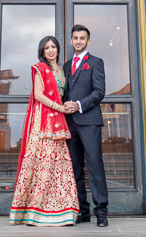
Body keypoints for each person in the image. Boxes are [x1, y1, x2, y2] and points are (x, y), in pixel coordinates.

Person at [9, 36, 79, 226]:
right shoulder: (41, 69)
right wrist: (59, 107)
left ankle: (60, 211)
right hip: (44, 120)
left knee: (58, 165)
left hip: (59, 120)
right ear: (42, 51)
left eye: (53, 47)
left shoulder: (62, 69)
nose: (50, 50)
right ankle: (34, 211)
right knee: (42, 163)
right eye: (46, 47)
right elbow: (39, 95)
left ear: (57, 49)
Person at [63, 24, 109, 228]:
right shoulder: (65, 65)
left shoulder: (96, 62)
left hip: (89, 121)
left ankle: (101, 211)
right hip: (69, 123)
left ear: (88, 41)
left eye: (82, 38)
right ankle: (82, 210)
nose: (79, 41)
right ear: (71, 41)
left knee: (94, 166)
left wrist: (78, 105)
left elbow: (99, 92)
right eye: (75, 38)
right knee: (74, 168)